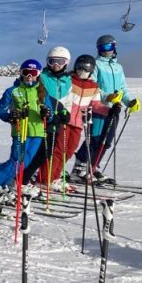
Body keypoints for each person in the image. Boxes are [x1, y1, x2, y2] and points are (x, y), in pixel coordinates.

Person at [72, 34, 141, 182]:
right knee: (94, 139)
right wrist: (107, 97)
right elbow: (93, 86)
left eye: (109, 47)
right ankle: (79, 168)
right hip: (97, 108)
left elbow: (123, 89)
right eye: (102, 48)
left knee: (106, 141)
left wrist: (130, 102)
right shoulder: (96, 65)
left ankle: (93, 167)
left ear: (114, 47)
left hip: (113, 109)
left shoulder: (118, 67)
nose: (106, 51)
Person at [0, 59, 56, 205]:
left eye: (33, 73)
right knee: (16, 162)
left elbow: (50, 115)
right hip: (20, 131)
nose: (29, 76)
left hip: (37, 133)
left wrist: (47, 113)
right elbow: (0, 110)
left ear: (38, 74)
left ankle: (4, 186)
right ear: (21, 73)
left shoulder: (43, 92)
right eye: (26, 72)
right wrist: (10, 116)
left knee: (23, 164)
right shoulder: (13, 91)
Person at [45, 54, 106, 193]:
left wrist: (110, 110)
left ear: (91, 70)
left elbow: (96, 105)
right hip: (65, 120)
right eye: (79, 67)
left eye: (86, 68)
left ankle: (55, 176)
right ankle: (49, 178)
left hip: (78, 124)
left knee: (69, 151)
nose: (81, 71)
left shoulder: (93, 86)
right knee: (59, 150)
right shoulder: (69, 80)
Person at [25, 46, 72, 187]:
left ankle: (27, 177)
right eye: (52, 61)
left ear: (67, 63)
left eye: (60, 61)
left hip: (55, 121)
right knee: (35, 151)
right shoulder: (43, 77)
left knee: (46, 153)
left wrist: (66, 113)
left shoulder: (67, 80)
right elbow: (40, 96)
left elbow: (68, 99)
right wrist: (50, 111)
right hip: (41, 118)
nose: (56, 65)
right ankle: (22, 178)